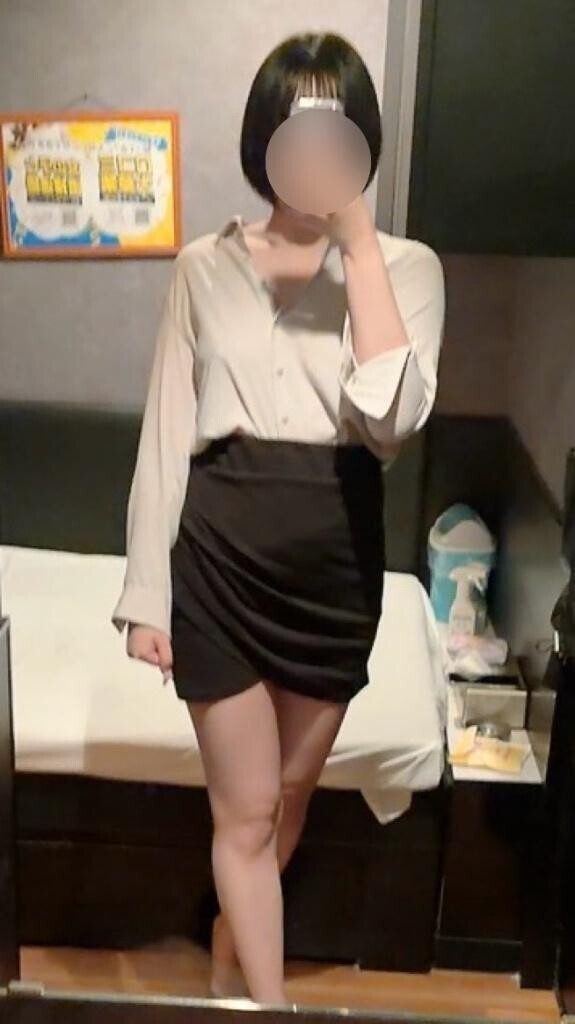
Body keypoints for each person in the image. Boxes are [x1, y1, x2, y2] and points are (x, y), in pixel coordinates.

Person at [111, 30, 445, 1007]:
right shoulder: (202, 266)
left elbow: (390, 424)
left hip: (334, 563)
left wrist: (356, 246)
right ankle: (265, 1004)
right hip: (220, 556)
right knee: (248, 809)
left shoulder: (406, 268)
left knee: (286, 797)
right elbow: (167, 431)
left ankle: (231, 933)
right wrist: (146, 594)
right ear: (263, 140)